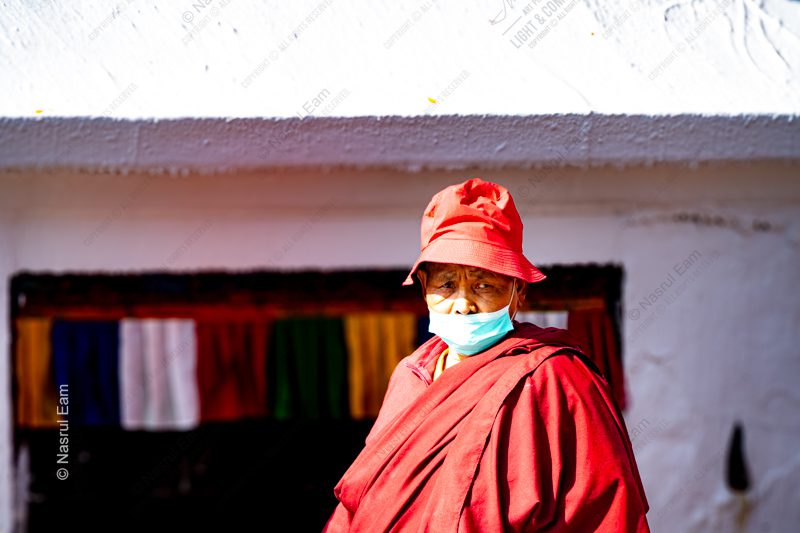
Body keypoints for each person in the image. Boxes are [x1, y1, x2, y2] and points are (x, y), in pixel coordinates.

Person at [324, 178, 650, 532]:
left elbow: (604, 512)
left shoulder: (556, 377)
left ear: (518, 292)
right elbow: (364, 495)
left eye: (484, 285)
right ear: (423, 288)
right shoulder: (411, 373)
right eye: (446, 284)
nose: (463, 305)